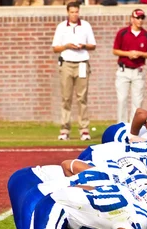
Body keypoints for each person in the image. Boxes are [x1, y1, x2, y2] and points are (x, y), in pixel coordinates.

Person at [51, 1, 96, 141]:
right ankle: (65, 129)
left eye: (76, 12)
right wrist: (67, 46)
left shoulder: (86, 26)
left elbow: (93, 45)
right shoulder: (61, 27)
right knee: (66, 98)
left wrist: (83, 45)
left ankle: (84, 129)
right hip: (66, 63)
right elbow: (55, 48)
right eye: (72, 12)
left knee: (82, 97)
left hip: (82, 63)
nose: (74, 14)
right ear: (68, 12)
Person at [112, 9, 147, 124]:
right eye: (137, 18)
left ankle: (134, 127)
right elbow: (115, 50)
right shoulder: (123, 33)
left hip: (138, 71)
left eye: (142, 18)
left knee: (137, 102)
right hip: (123, 70)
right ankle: (121, 125)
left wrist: (140, 54)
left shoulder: (146, 36)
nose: (140, 20)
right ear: (132, 19)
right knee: (122, 100)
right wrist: (129, 53)